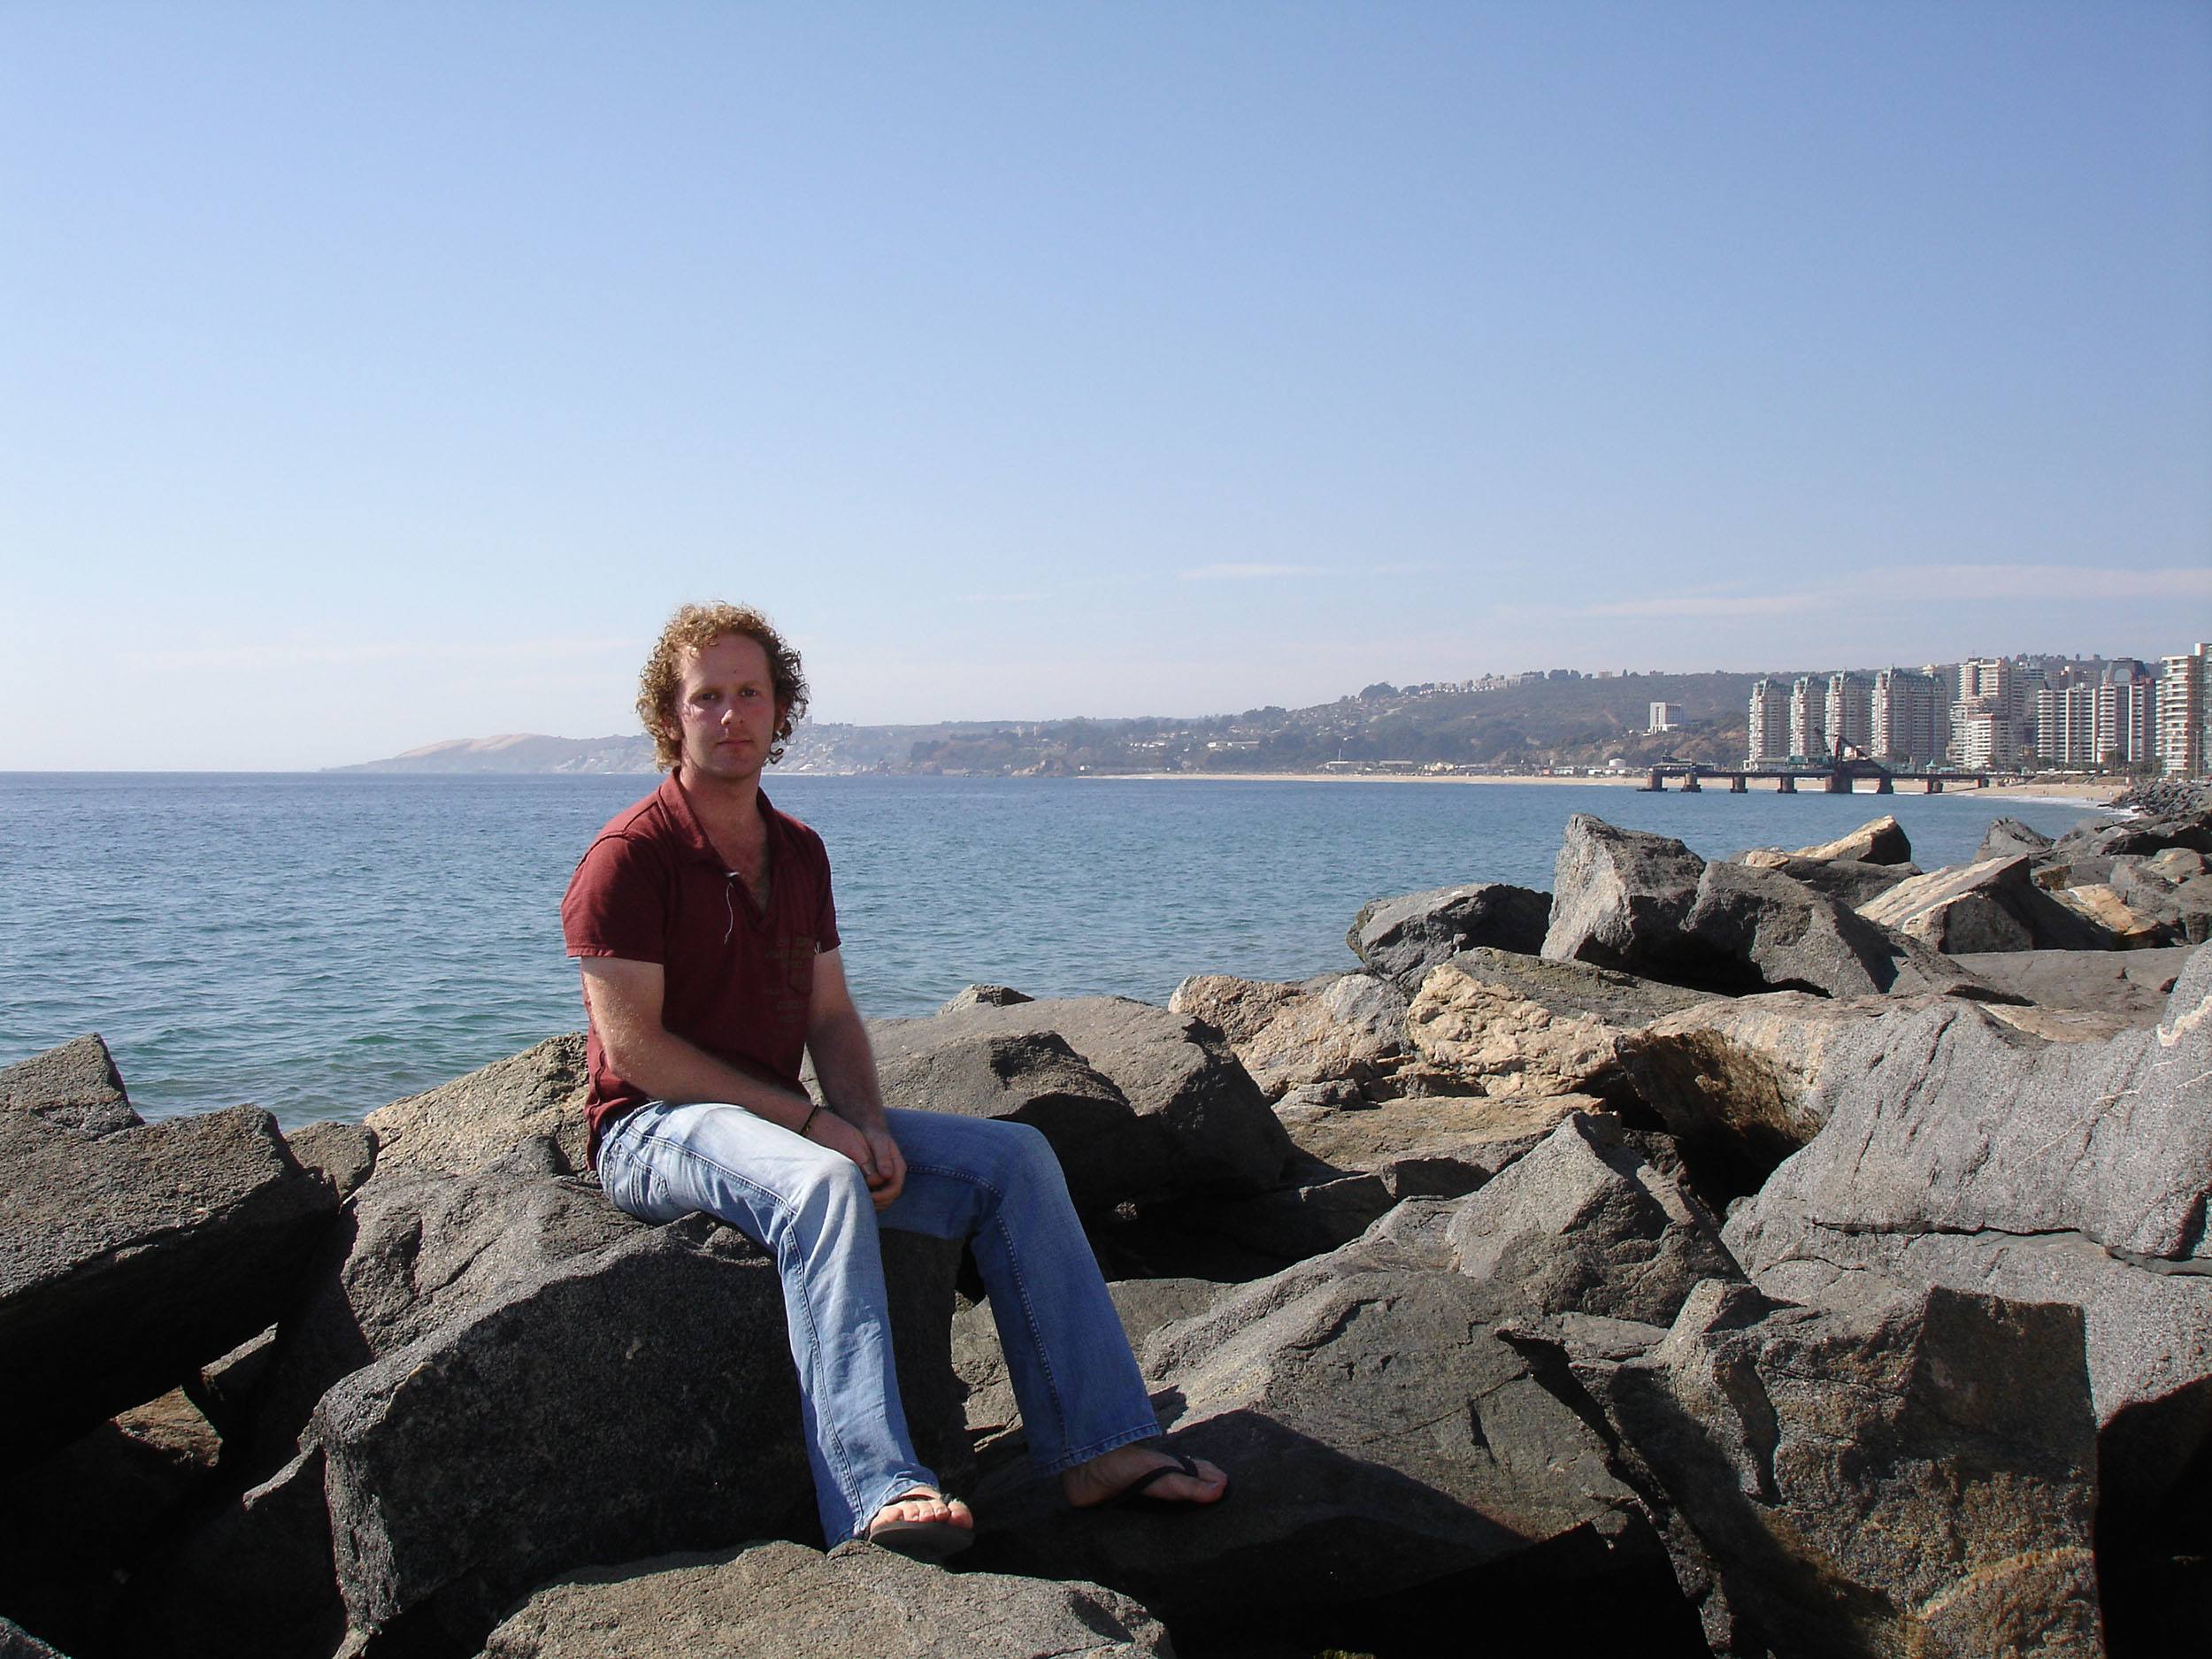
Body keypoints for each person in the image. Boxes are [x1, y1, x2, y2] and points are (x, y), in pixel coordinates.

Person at [560, 601, 1229, 1560]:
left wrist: (865, 1121)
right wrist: (816, 1129)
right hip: (654, 1130)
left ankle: (1100, 1448)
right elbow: (638, 1054)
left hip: (775, 1121)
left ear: (779, 709)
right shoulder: (629, 857)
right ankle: (872, 1494)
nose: (731, 715)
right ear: (672, 717)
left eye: (750, 693)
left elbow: (829, 1016)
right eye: (706, 697)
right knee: (821, 1183)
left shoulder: (797, 852)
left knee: (1015, 1158)